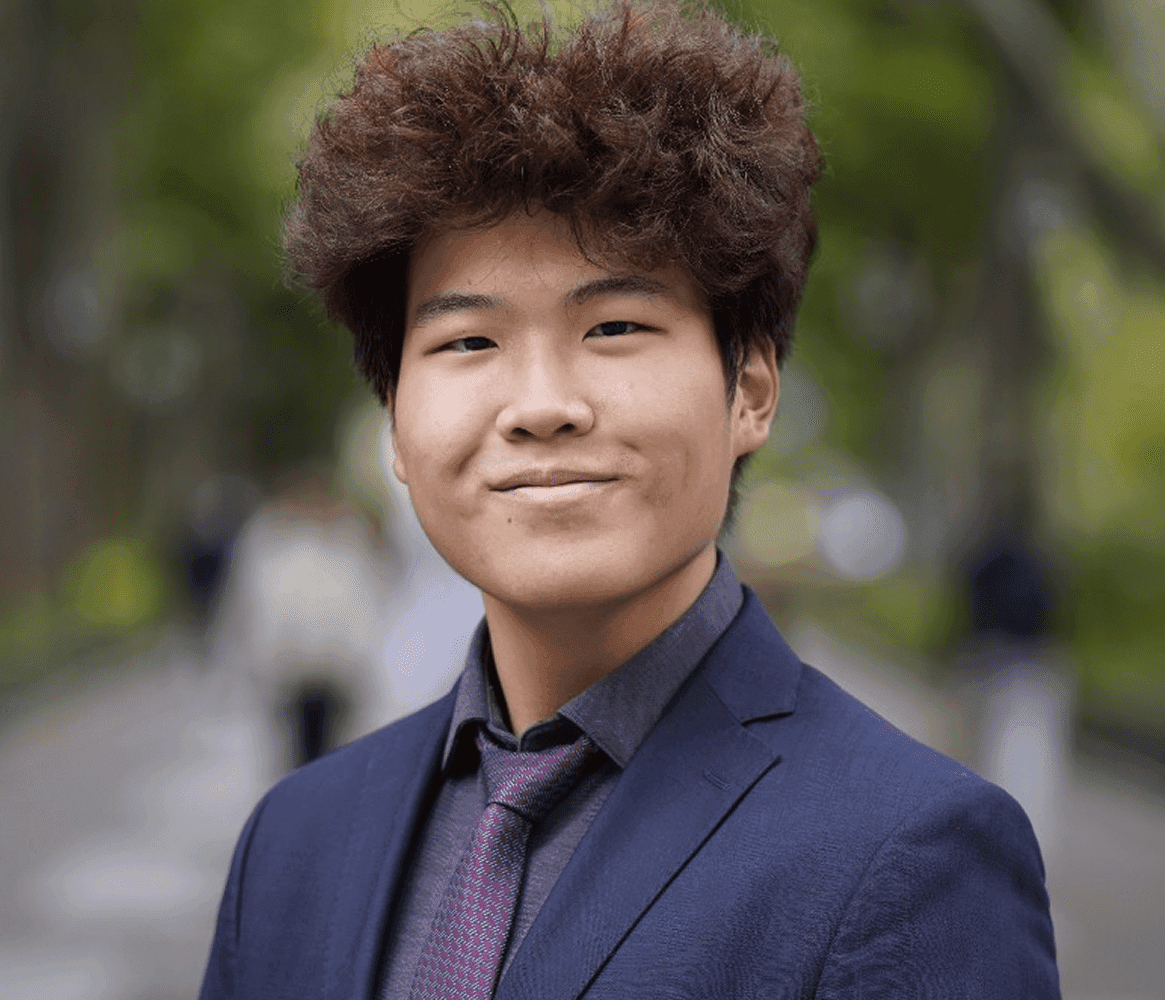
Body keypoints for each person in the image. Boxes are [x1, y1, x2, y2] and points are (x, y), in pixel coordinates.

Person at [200, 2, 1061, 997]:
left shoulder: (911, 852)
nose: (540, 406)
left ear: (748, 389)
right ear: (395, 424)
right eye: (466, 341)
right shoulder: (294, 838)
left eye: (611, 327)